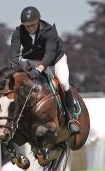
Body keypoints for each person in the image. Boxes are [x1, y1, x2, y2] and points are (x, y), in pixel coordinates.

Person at [10, 6, 81, 136]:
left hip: (55, 60)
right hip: (32, 60)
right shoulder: (18, 32)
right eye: (27, 25)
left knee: (64, 82)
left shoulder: (49, 31)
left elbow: (49, 54)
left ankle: (71, 119)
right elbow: (14, 55)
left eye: (33, 25)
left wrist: (39, 69)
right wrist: (21, 68)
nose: (30, 28)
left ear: (38, 21)